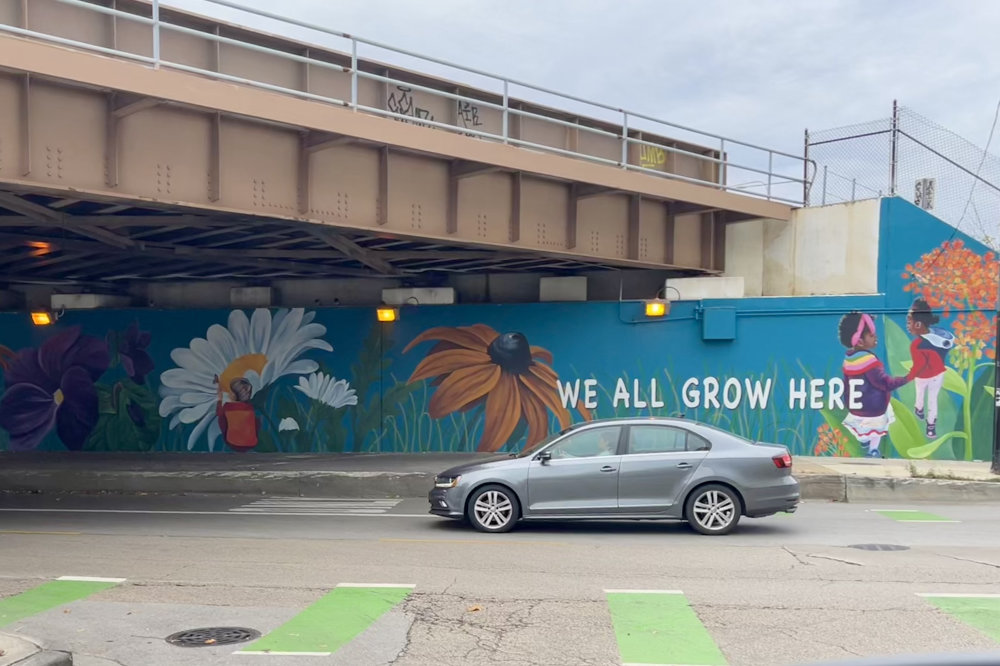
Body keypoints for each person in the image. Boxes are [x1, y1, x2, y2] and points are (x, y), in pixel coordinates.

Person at [839, 312, 912, 458]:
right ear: (860, 341)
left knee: (863, 427)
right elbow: (884, 383)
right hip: (873, 409)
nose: (876, 337)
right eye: (871, 335)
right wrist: (907, 378)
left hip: (856, 408)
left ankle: (864, 440)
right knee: (880, 422)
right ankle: (873, 450)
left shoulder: (849, 359)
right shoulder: (870, 362)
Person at [905, 298, 954, 438]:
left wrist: (908, 376)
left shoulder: (916, 345)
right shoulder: (941, 335)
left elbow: (918, 365)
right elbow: (948, 343)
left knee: (920, 394)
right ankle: (931, 427)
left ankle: (919, 410)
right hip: (938, 375)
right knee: (933, 400)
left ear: (918, 324)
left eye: (909, 322)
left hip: (922, 376)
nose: (907, 326)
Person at [214, 375, 261, 452]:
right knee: (256, 420)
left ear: (236, 394)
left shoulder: (228, 407)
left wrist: (219, 400)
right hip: (251, 443)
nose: (229, 393)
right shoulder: (250, 407)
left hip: (233, 443)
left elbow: (218, 412)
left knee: (222, 418)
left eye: (231, 391)